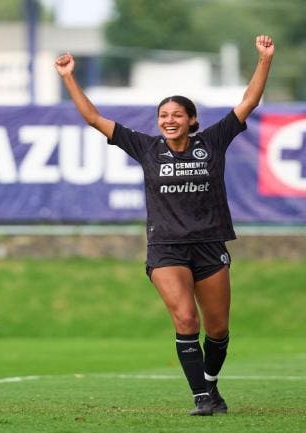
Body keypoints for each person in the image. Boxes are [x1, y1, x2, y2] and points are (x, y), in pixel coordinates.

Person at [55, 35, 275, 416]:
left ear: (191, 120)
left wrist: (264, 59)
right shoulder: (146, 147)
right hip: (166, 248)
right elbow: (93, 118)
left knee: (218, 330)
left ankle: (211, 386)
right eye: (163, 116)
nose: (169, 121)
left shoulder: (213, 141)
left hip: (209, 245)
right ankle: (201, 397)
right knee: (186, 319)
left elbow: (249, 101)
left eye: (176, 115)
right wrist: (68, 77)